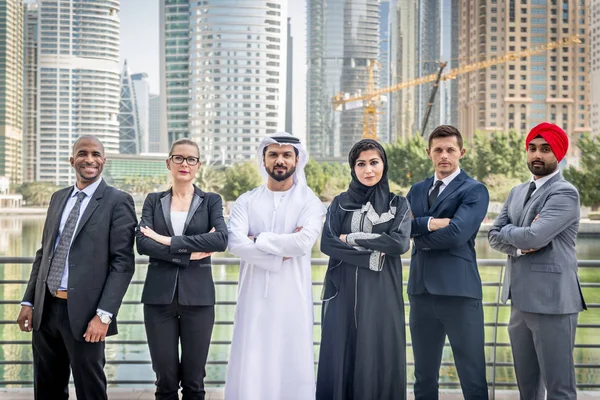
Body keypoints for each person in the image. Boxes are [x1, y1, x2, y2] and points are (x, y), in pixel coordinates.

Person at [16, 136, 137, 400]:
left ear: (104, 161)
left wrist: (104, 315)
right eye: (83, 153)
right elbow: (44, 253)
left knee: (90, 391)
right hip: (45, 310)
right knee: (46, 389)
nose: (89, 159)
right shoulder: (58, 198)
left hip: (86, 315)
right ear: (72, 160)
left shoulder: (118, 201)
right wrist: (29, 301)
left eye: (96, 154)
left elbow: (123, 264)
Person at [488, 122, 586, 399]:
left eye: (545, 149)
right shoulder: (516, 192)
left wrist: (516, 233)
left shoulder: (565, 193)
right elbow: (494, 236)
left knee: (559, 388)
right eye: (532, 148)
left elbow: (534, 237)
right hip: (519, 301)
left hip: (553, 302)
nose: (536, 155)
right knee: (527, 388)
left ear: (558, 154)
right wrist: (518, 242)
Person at [224, 133, 325, 400]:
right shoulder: (246, 200)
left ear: (297, 159)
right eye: (273, 155)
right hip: (253, 297)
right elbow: (234, 242)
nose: (279, 160)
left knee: (291, 358)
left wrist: (257, 239)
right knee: (252, 358)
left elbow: (302, 243)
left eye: (286, 155)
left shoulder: (309, 202)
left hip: (293, 296)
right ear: (264, 159)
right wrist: (278, 255)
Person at [316, 139, 411, 400]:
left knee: (379, 351)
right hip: (342, 293)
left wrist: (351, 238)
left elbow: (399, 243)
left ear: (384, 165)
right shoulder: (339, 203)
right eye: (361, 164)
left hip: (382, 293)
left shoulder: (398, 204)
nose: (368, 170)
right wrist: (371, 256)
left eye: (374, 163)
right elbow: (327, 243)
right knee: (341, 353)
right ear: (353, 168)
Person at [136, 138, 228, 400]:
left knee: (194, 382)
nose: (184, 163)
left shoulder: (211, 200)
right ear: (169, 162)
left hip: (198, 300)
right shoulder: (153, 200)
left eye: (191, 159)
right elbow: (142, 243)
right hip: (158, 300)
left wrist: (167, 241)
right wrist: (188, 255)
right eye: (178, 158)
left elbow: (220, 239)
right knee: (164, 381)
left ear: (198, 165)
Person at [406, 125, 490, 400]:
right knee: (424, 377)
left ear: (461, 153)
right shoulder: (416, 191)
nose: (444, 155)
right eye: (438, 150)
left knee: (472, 375)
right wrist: (429, 223)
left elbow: (457, 234)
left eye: (450, 150)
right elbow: (400, 229)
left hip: (460, 294)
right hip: (421, 293)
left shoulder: (475, 190)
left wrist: (418, 236)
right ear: (429, 153)